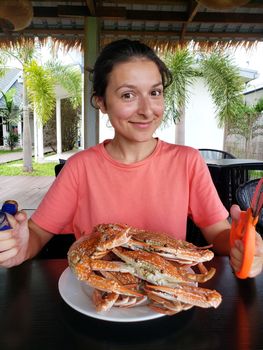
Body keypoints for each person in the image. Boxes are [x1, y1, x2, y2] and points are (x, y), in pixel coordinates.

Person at [0, 39, 262, 277]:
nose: (147, 110)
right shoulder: (81, 168)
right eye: (128, 95)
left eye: (155, 92)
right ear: (101, 102)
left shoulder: (187, 162)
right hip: (95, 297)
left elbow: (218, 234)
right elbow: (36, 233)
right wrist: (20, 246)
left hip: (169, 296)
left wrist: (242, 243)